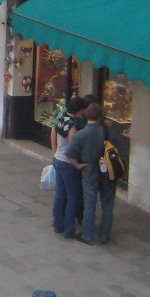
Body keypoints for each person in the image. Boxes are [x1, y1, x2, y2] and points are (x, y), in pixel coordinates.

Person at [68, 103, 116, 245]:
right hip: (108, 172)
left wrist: (78, 165)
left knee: (90, 204)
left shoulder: (82, 134)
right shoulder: (108, 131)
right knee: (107, 204)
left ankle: (88, 236)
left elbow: (70, 154)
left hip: (90, 172)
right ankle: (105, 235)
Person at [51, 95, 89, 239]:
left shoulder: (62, 118)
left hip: (58, 160)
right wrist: (77, 164)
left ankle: (58, 224)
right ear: (79, 110)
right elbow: (72, 150)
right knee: (73, 196)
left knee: (61, 194)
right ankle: (69, 229)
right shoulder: (72, 126)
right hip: (67, 164)